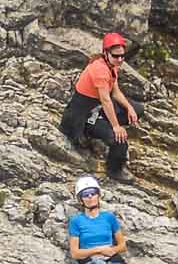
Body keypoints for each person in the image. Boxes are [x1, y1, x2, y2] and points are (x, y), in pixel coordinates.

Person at [61, 32, 143, 181]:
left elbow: (115, 91)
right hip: (83, 117)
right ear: (106, 53)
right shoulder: (100, 70)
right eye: (116, 56)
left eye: (122, 56)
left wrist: (129, 108)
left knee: (137, 110)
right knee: (119, 140)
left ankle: (102, 129)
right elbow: (106, 100)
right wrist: (116, 127)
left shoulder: (111, 65)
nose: (120, 60)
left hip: (97, 108)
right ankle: (114, 170)